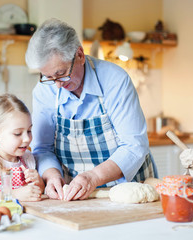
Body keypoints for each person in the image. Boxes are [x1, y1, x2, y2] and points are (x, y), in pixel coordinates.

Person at [25, 18, 158, 201]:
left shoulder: (115, 80)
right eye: (48, 76)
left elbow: (134, 146)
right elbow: (42, 148)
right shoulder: (44, 90)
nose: (56, 85)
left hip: (130, 191)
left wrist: (93, 177)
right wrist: (52, 175)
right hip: (77, 194)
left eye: (61, 73)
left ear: (79, 54)